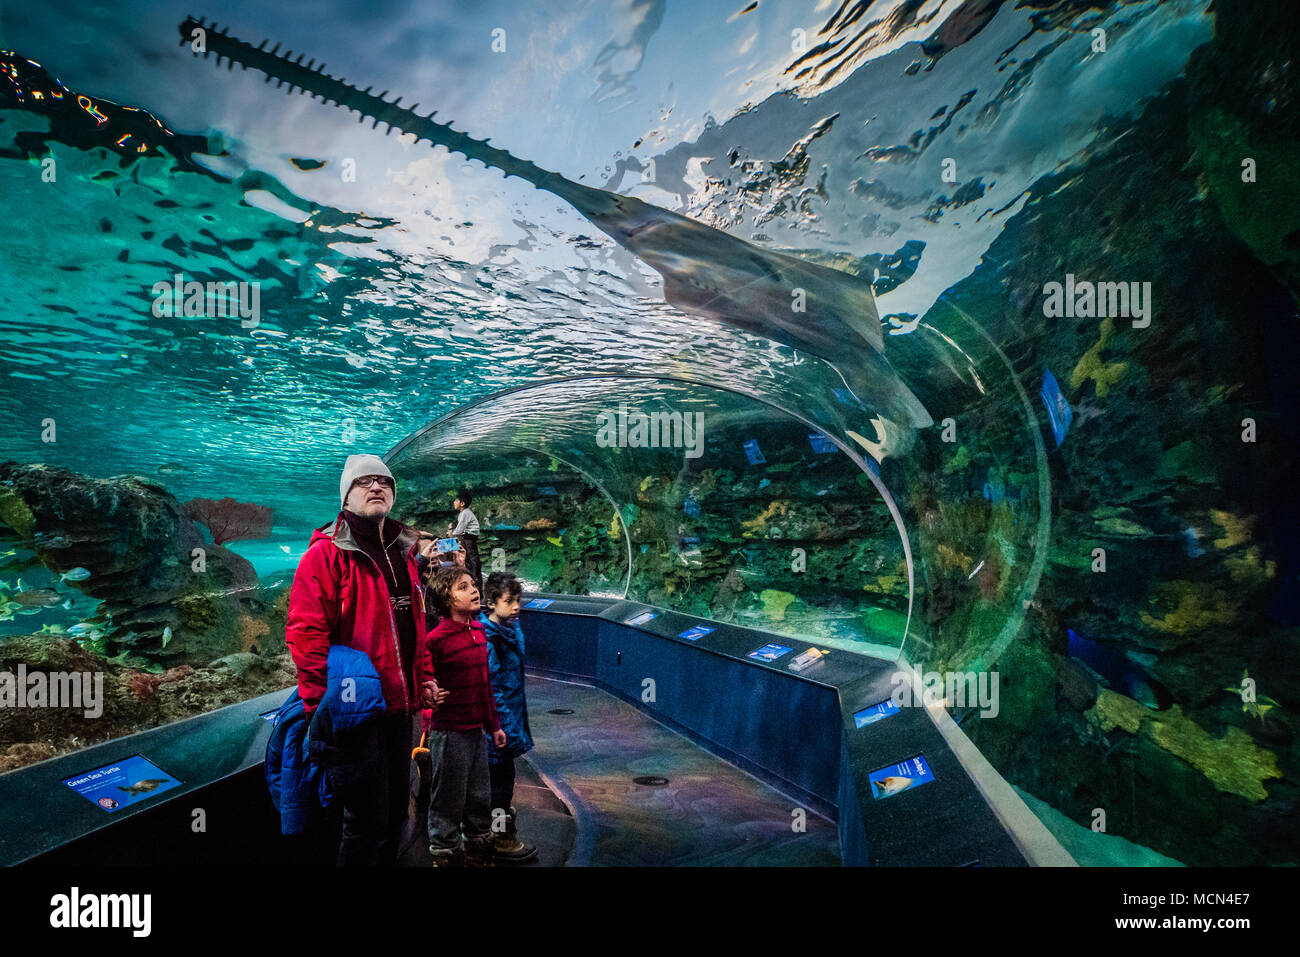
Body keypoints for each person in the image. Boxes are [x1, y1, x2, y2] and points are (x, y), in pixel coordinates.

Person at [284, 453, 444, 867]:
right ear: (346, 497)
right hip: (354, 713)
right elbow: (305, 635)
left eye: (384, 482)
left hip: (400, 709)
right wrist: (321, 708)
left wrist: (422, 679)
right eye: (364, 482)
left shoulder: (403, 553)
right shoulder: (326, 555)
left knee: (395, 814)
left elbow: (414, 626)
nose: (376, 487)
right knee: (365, 823)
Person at [420, 564, 506, 867]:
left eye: (473, 584)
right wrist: (429, 696)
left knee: (479, 795)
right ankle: (445, 854)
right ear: (446, 598)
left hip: (475, 732)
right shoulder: (436, 639)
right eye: (464, 586)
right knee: (447, 798)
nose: (474, 590)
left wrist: (493, 724)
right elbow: (425, 681)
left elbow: (485, 684)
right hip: (449, 732)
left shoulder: (479, 632)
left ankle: (479, 852)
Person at [481, 571, 537, 863]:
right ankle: (499, 836)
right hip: (499, 726)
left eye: (518, 600)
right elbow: (493, 689)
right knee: (499, 785)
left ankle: (498, 829)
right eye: (509, 601)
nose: (516, 606)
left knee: (505, 780)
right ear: (491, 602)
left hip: (511, 720)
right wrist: (505, 728)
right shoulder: (491, 639)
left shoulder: (510, 629)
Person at [447, 489, 482, 598]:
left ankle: (475, 578)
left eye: (456, 500)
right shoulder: (464, 513)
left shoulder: (465, 513)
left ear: (462, 503)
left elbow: (460, 527)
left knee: (472, 558)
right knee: (468, 558)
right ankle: (471, 577)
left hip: (469, 537)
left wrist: (451, 534)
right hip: (466, 537)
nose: (454, 502)